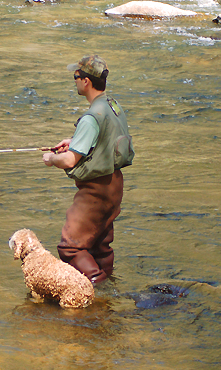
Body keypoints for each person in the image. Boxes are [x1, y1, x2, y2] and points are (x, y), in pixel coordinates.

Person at [42, 55, 134, 285]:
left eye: (76, 77)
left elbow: (71, 160)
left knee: (70, 247)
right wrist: (74, 140)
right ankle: (109, 287)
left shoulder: (91, 117)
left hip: (95, 191)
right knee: (100, 246)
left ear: (86, 82)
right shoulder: (112, 106)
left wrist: (52, 158)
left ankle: (97, 287)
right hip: (114, 184)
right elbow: (105, 138)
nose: (74, 81)